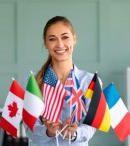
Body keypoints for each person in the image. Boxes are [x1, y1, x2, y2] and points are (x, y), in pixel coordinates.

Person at [24, 16, 101, 146]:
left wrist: (75, 133)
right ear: (46, 43)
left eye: (65, 37)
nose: (59, 44)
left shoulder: (90, 81)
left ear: (74, 39)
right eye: (52, 39)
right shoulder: (32, 81)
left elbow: (91, 126)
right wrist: (47, 132)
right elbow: (29, 130)